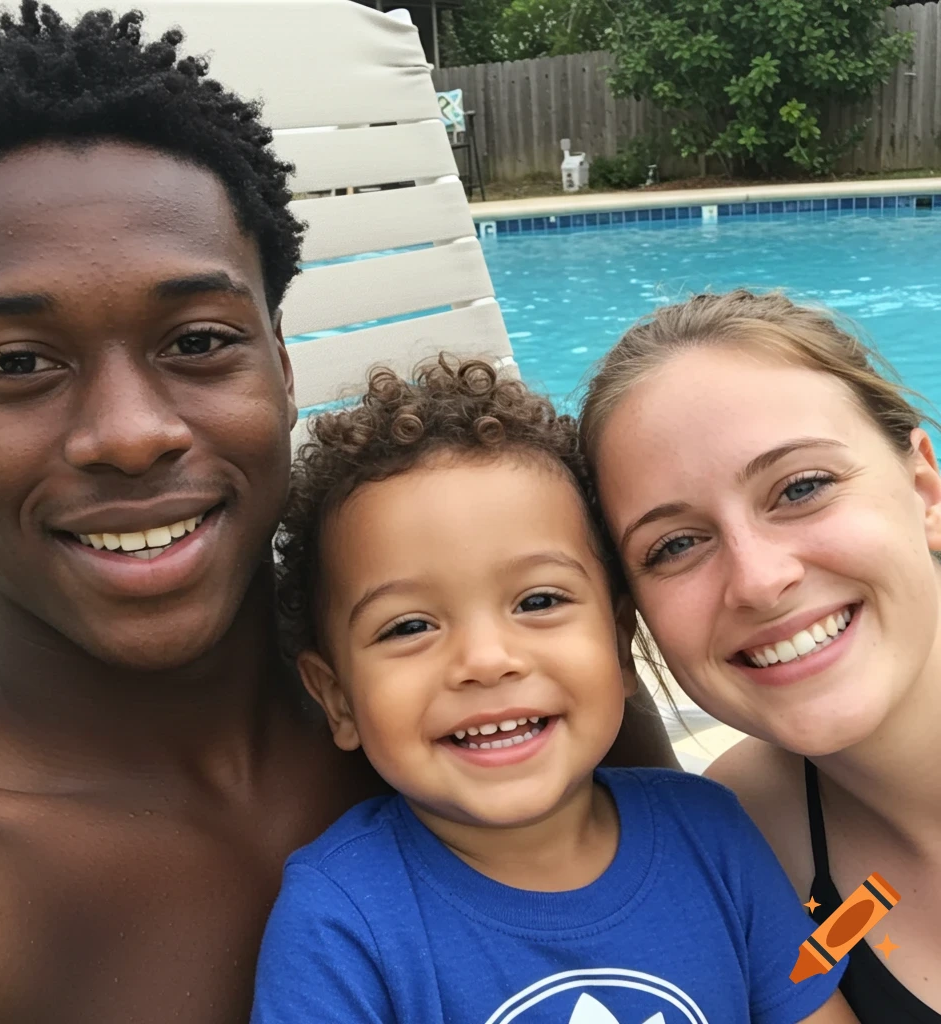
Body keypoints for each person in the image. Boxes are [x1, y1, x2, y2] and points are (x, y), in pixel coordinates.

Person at [0, 5, 676, 1022]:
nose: (131, 433)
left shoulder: (528, 696)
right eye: (17, 363)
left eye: (197, 341)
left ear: (280, 369)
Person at [251, 355, 855, 1024]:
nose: (486, 661)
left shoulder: (712, 834)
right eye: (410, 626)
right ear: (337, 698)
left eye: (538, 601)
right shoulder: (339, 921)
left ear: (620, 644)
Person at [579, 289, 941, 1021]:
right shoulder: (748, 836)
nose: (757, 579)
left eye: (802, 488)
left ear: (924, 490)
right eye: (675, 545)